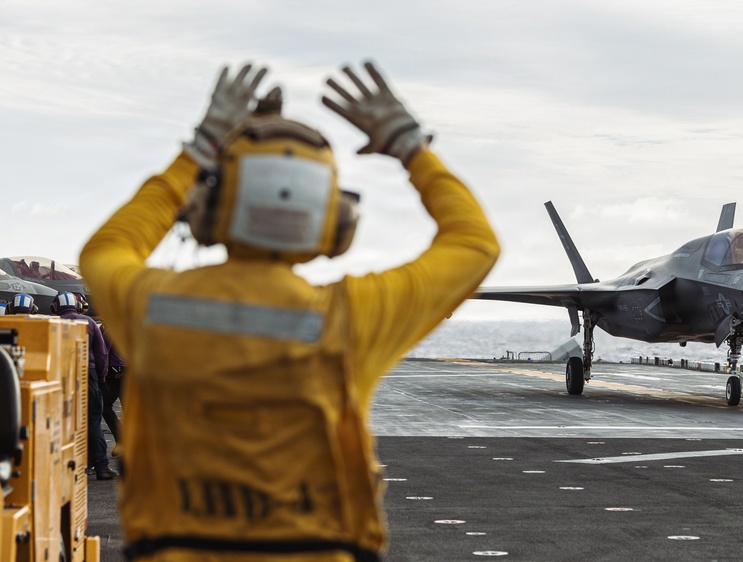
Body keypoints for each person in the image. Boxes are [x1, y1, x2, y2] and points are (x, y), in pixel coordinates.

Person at [79, 61, 499, 561]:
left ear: (210, 209)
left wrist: (200, 146)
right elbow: (475, 244)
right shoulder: (352, 317)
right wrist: (409, 145)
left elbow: (104, 251)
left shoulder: (154, 306)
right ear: (335, 220)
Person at [50, 291, 117, 479]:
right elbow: (102, 354)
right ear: (78, 305)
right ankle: (102, 468)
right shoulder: (90, 323)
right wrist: (102, 378)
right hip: (88, 374)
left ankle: (73, 466)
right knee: (93, 421)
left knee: (65, 421)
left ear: (55, 307)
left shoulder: (52, 324)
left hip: (62, 376)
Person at [101, 325, 126, 457]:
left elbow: (103, 352)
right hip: (130, 371)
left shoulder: (112, 328)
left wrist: (102, 375)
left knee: (104, 405)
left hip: (117, 372)